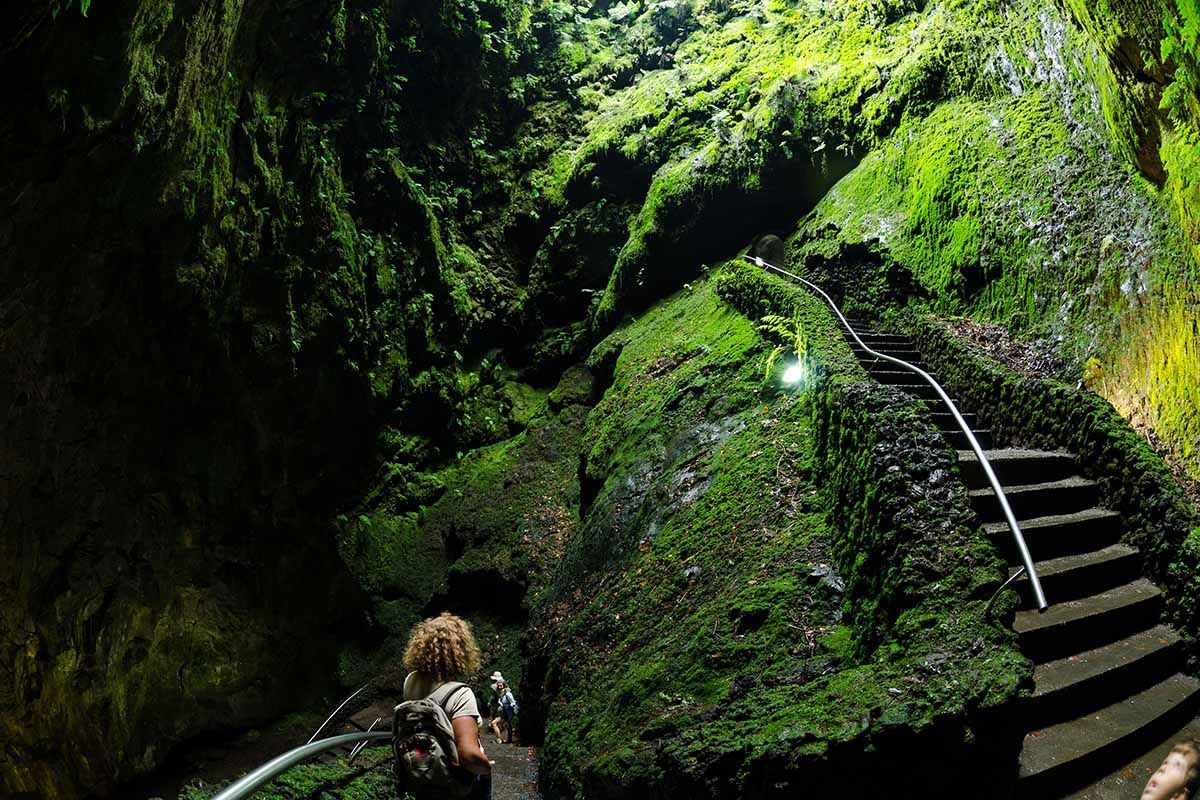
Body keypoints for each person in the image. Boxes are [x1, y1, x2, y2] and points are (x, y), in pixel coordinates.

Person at [401, 613, 492, 799]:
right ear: (461, 650)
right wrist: (486, 767)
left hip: (423, 775)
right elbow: (467, 755)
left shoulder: (410, 682)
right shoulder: (460, 694)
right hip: (454, 784)